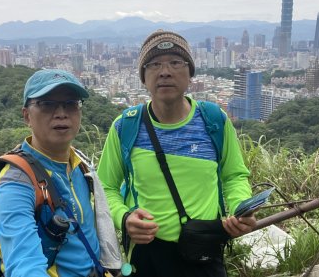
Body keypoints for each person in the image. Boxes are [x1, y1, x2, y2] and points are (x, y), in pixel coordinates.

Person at [97, 30, 257, 277]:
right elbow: (105, 187)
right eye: (154, 64)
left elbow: (234, 176)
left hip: (204, 250)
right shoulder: (126, 127)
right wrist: (125, 218)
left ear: (190, 73)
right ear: (143, 76)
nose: (165, 72)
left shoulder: (213, 121)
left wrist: (239, 209)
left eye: (175, 62)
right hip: (147, 254)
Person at [0, 69, 107, 277]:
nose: (61, 113)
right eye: (47, 104)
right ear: (26, 115)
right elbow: (24, 265)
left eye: (71, 104)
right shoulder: (17, 181)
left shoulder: (79, 164)